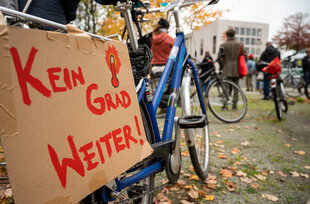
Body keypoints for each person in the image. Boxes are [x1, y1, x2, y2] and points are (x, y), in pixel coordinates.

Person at [150, 18, 174, 115]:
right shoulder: (169, 39)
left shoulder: (152, 38)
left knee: (156, 89)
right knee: (167, 89)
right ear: (167, 27)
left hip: (154, 67)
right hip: (166, 66)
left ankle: (157, 108)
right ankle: (165, 109)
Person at [217, 28, 242, 110]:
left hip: (226, 68)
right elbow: (244, 56)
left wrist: (222, 65)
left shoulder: (223, 45)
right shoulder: (239, 45)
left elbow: (219, 58)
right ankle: (234, 106)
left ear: (227, 35)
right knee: (236, 89)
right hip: (236, 69)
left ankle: (225, 105)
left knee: (225, 88)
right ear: (234, 35)